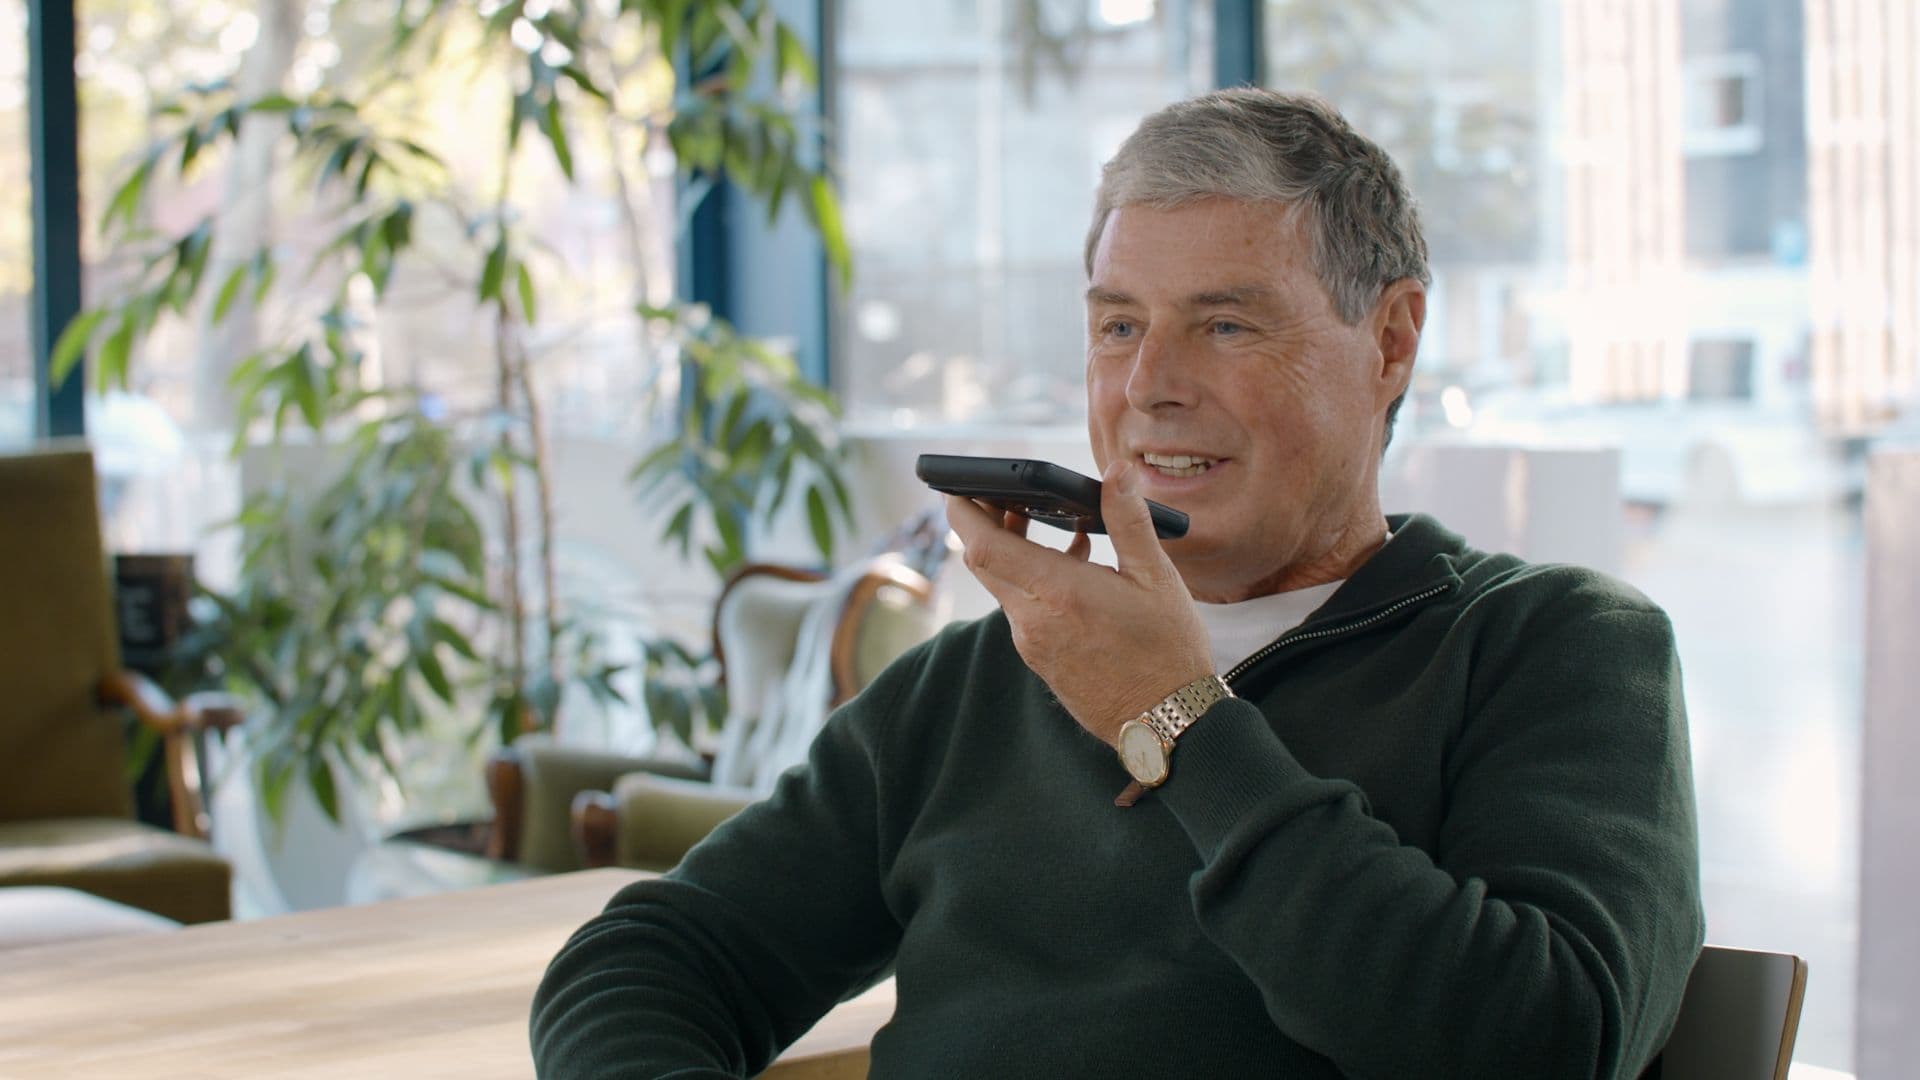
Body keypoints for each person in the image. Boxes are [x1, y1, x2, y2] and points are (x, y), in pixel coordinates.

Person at [531, 88, 1705, 1079]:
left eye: (1227, 325)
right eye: (1118, 325)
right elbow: (650, 960)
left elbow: (1545, 1042)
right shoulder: (997, 666)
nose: (1150, 385)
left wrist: (1179, 719)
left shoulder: (1555, 648)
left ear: (1391, 341)